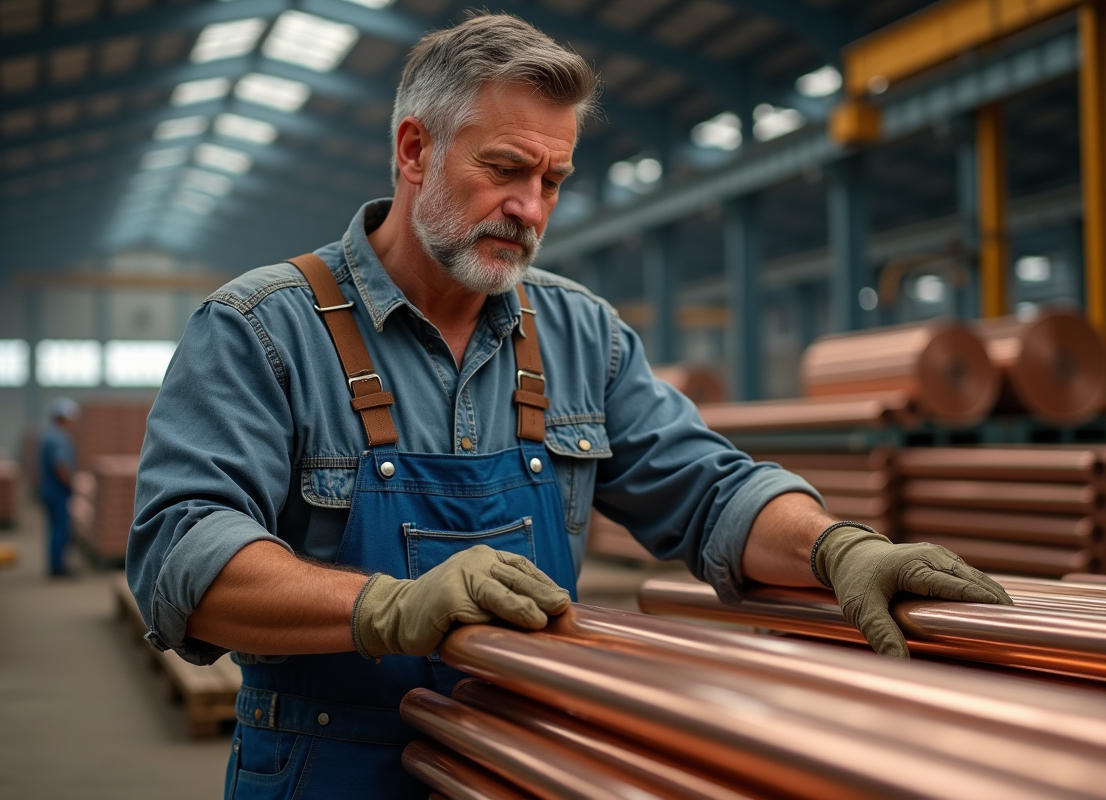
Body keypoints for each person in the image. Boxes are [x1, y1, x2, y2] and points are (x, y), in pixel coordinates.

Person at [128, 14, 1011, 798]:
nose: (529, 208)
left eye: (552, 180)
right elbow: (184, 555)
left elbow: (708, 492)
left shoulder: (579, 334)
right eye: (505, 168)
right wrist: (387, 608)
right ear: (412, 150)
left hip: (515, 757)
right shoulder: (262, 330)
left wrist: (834, 548)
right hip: (333, 766)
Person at [40, 397, 79, 577]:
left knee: (54, 528)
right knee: (60, 529)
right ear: (62, 418)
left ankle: (56, 564)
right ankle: (58, 567)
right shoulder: (58, 438)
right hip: (58, 491)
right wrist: (71, 485)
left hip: (50, 489)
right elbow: (60, 466)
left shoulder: (49, 435)